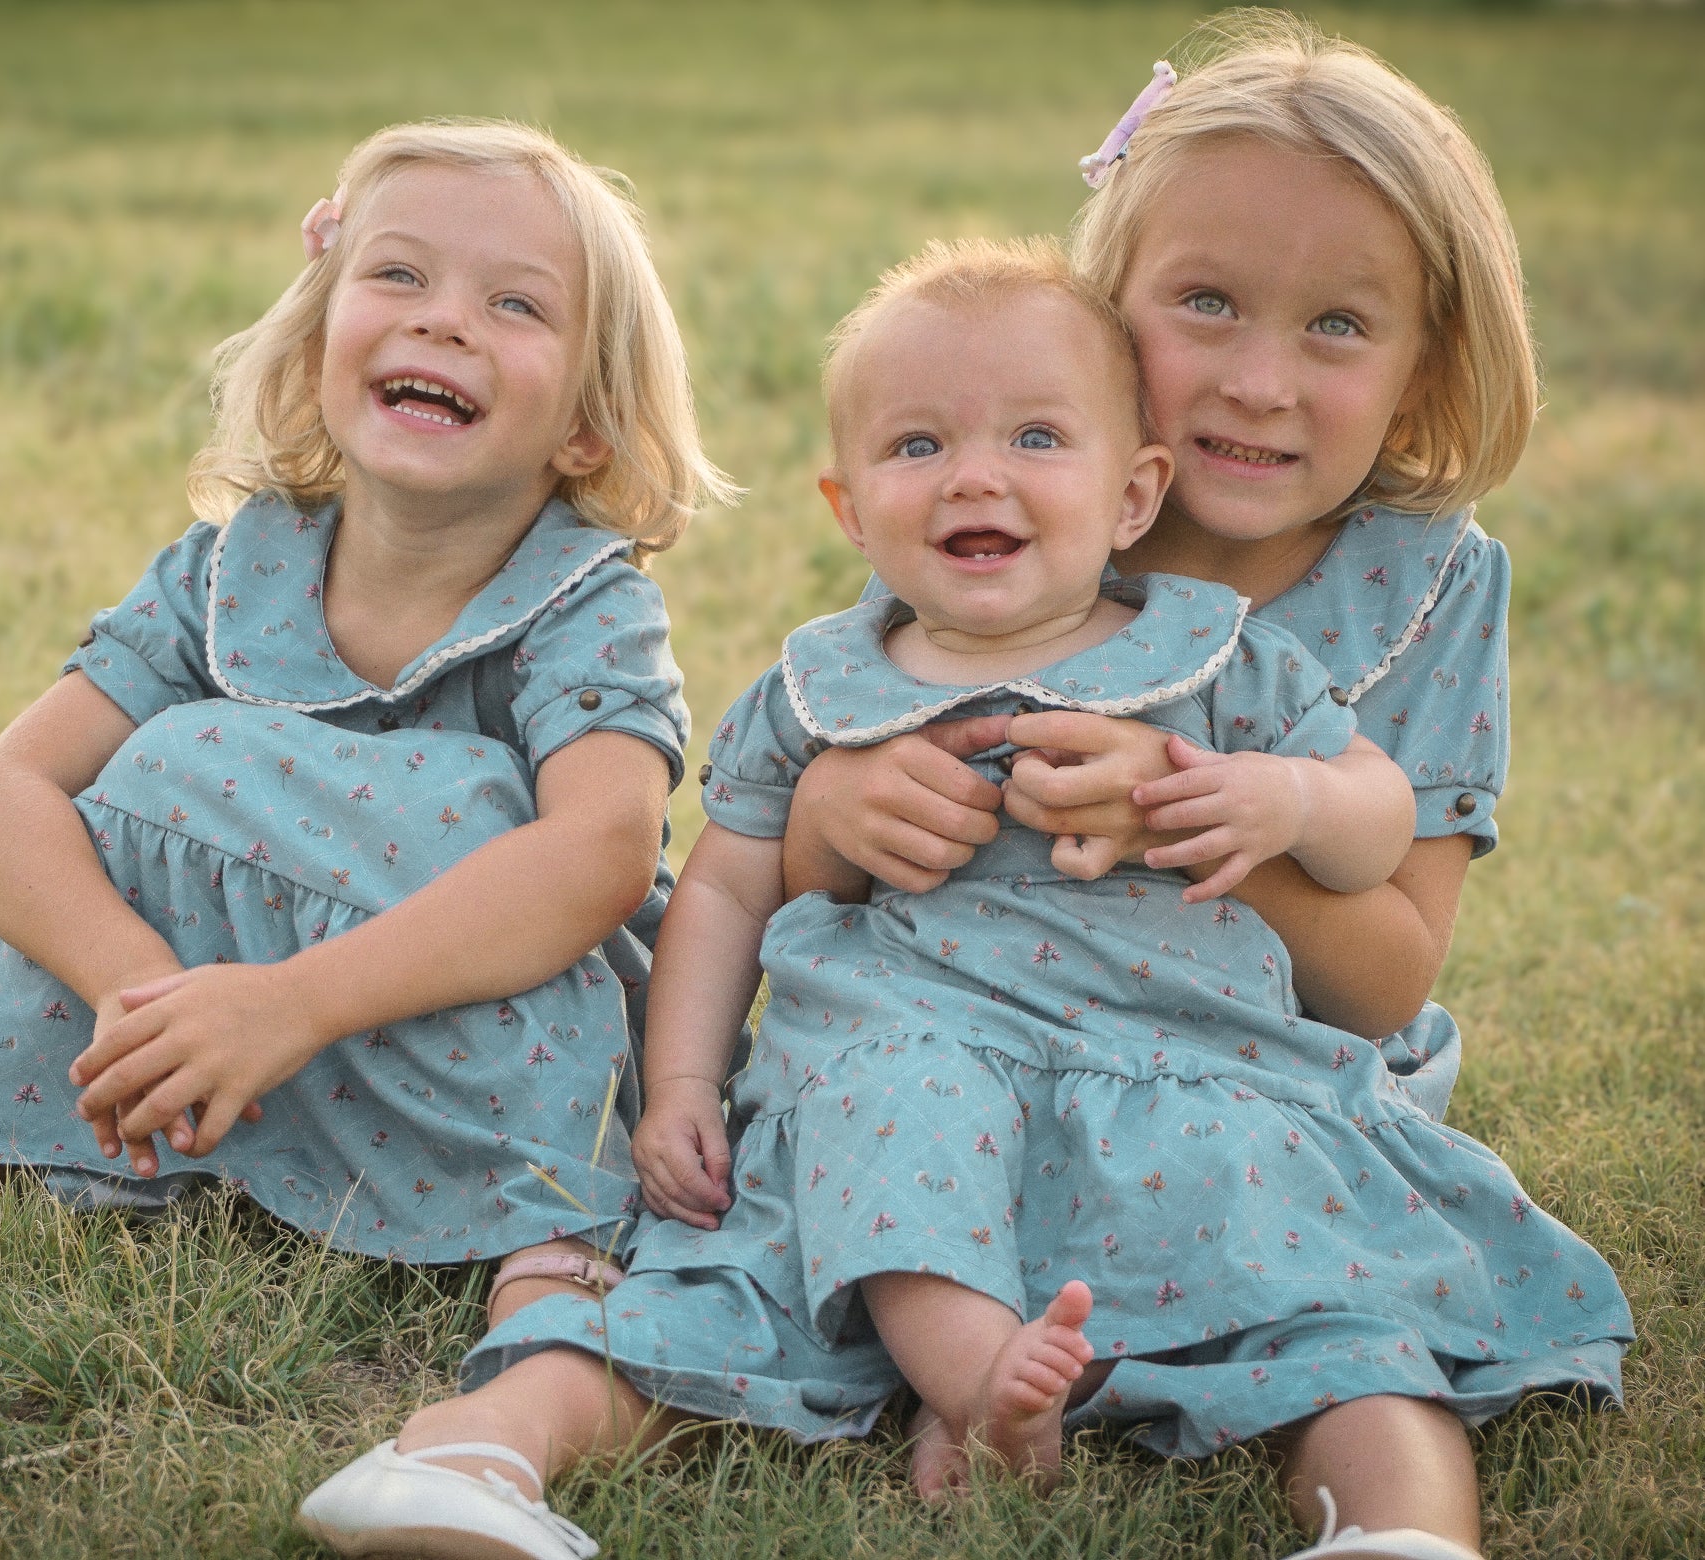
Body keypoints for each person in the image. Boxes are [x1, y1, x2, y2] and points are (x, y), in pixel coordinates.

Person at [297, 235, 1462, 1560]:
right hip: (899, 1081)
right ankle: (471, 1464)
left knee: (1342, 1329)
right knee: (730, 1284)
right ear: (850, 510)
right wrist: (680, 1086)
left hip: (1180, 1076)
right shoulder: (816, 696)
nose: (974, 474)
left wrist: (1288, 803)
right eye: (918, 447)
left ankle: (1398, 1531)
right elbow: (727, 890)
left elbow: (1376, 815)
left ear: (1134, 493)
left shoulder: (1216, 660)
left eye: (1035, 438)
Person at [780, 15, 1633, 1558]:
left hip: (1254, 1076)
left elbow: (1379, 986)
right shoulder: (1027, 502)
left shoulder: (1427, 591)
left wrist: (1197, 806)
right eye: (1204, 304)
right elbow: (803, 847)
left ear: (1425, 359)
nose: (1254, 381)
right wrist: (834, 819)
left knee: (1349, 1329)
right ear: (1106, 310)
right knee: (883, 1172)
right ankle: (982, 1376)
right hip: (974, 1047)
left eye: (1335, 327)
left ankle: (1395, 1529)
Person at [0, 121, 734, 1331]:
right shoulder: (224, 572)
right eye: (397, 275)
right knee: (139, 785)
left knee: (476, 810)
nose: (441, 320)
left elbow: (601, 854)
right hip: (208, 1035)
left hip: (456, 1039)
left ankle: (550, 1230)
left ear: (583, 428)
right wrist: (144, 997)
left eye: (513, 305)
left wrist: (292, 1005)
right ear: (313, 352)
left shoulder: (584, 605)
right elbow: (5, 798)